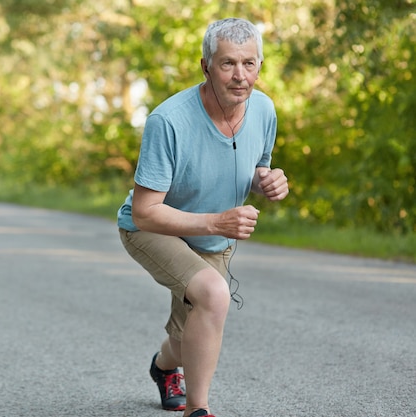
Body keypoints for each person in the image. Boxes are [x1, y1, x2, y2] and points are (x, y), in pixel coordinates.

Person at [117, 17, 289, 417]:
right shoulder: (169, 121)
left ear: (260, 67)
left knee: (187, 334)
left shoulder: (264, 110)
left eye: (249, 64)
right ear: (206, 66)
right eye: (228, 63)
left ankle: (164, 369)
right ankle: (199, 410)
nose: (240, 76)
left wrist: (270, 182)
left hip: (213, 236)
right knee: (213, 295)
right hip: (152, 228)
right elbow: (146, 212)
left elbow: (258, 167)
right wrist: (216, 222)